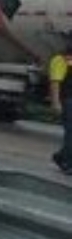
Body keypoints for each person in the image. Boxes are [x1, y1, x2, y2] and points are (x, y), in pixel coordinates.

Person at [47, 38, 72, 174]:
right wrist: (56, 103)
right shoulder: (60, 59)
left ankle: (61, 156)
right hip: (68, 100)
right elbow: (55, 82)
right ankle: (68, 163)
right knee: (71, 133)